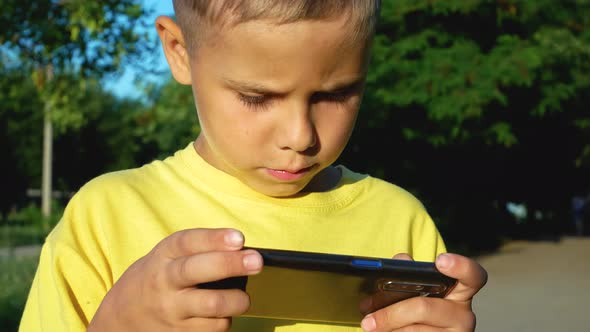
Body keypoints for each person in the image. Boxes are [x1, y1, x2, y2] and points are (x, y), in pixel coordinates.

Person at [19, 1, 488, 331]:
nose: (300, 136)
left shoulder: (401, 220)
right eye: (257, 97)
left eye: (336, 94)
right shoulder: (105, 217)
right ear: (180, 52)